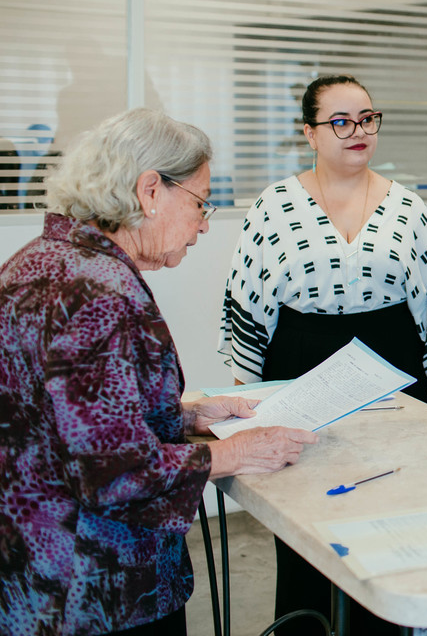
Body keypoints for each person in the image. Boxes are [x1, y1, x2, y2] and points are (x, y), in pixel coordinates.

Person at [0, 108, 317, 636]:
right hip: (95, 591)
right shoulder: (97, 292)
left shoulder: (39, 261)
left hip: (34, 572)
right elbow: (115, 473)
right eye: (199, 202)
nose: (203, 222)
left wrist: (186, 415)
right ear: (150, 191)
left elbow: (65, 416)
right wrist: (235, 452)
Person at [220, 74, 427, 635]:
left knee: (388, 504)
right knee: (306, 515)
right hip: (299, 362)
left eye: (366, 118)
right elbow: (249, 296)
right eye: (340, 121)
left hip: (392, 362)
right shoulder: (275, 205)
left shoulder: (407, 206)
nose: (357, 132)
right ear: (310, 132)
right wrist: (245, 392)